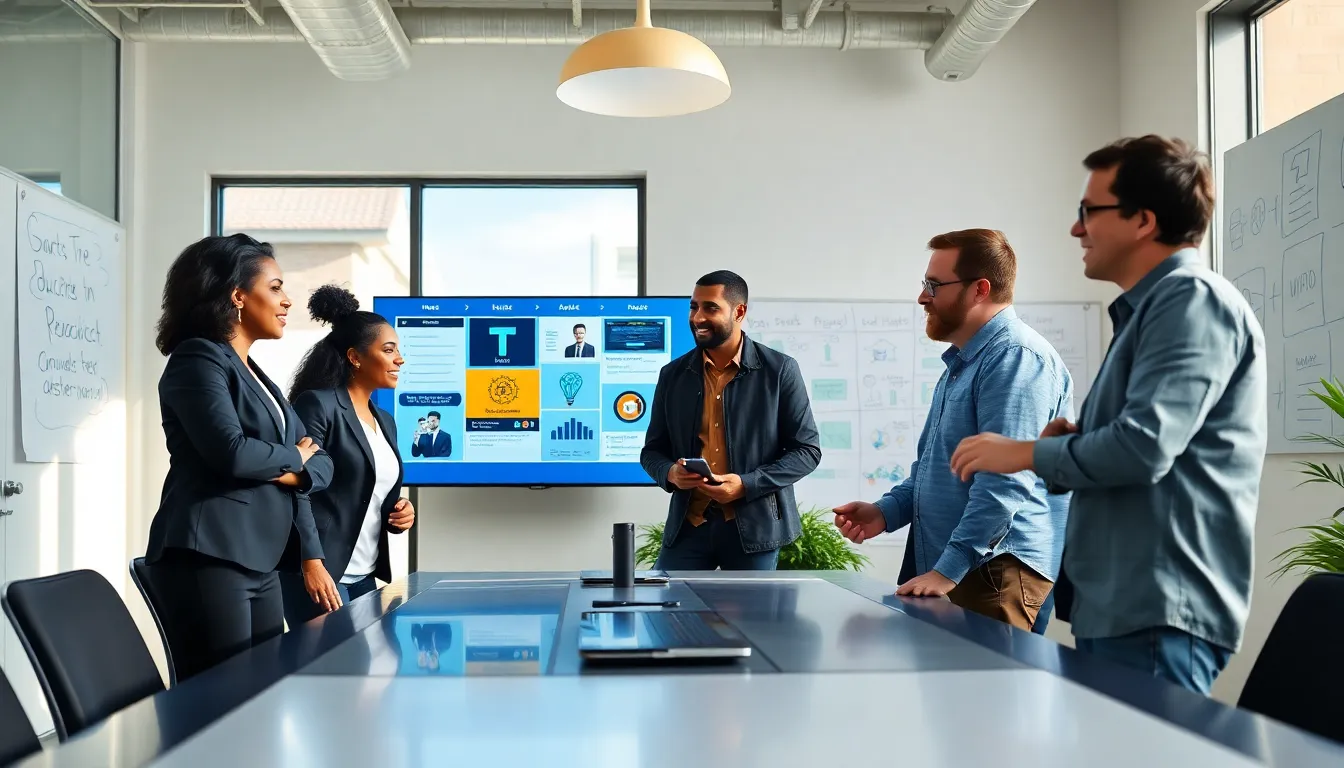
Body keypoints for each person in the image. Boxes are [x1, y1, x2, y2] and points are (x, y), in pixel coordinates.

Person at [950, 135, 1267, 694]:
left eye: (1087, 212)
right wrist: (1073, 443)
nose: (1077, 229)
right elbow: (1145, 444)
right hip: (1122, 605)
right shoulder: (1151, 310)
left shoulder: (1191, 300)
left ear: (1143, 220)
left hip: (1156, 608)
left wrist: (1022, 452)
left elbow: (1144, 447)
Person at [831, 230, 1072, 632]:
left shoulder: (1015, 358)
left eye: (933, 285)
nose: (923, 297)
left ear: (980, 289)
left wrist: (948, 571)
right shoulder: (964, 364)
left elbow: (1005, 481)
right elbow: (933, 470)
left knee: (988, 695)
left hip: (993, 572)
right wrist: (884, 513)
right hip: (964, 571)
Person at [144, 233, 338, 681]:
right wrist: (295, 460)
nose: (287, 300)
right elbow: (231, 454)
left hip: (261, 560)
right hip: (209, 555)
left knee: (262, 695)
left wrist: (291, 468)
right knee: (219, 701)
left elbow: (321, 462)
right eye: (275, 287)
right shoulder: (197, 359)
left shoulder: (257, 375)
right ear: (237, 295)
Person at [640, 270, 822, 570]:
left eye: (711, 308)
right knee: (667, 612)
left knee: (752, 617)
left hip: (754, 530)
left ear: (739, 312)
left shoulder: (780, 371)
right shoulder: (672, 375)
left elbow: (807, 452)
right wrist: (671, 472)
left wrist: (746, 484)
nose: (698, 317)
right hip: (688, 528)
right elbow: (652, 452)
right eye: (693, 306)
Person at [283, 285, 417, 626]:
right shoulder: (319, 405)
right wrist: (311, 563)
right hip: (321, 571)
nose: (399, 358)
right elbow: (297, 489)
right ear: (355, 357)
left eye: (398, 350)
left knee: (363, 672)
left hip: (364, 574)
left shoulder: (384, 420)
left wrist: (399, 511)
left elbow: (366, 491)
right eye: (389, 350)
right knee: (328, 674)